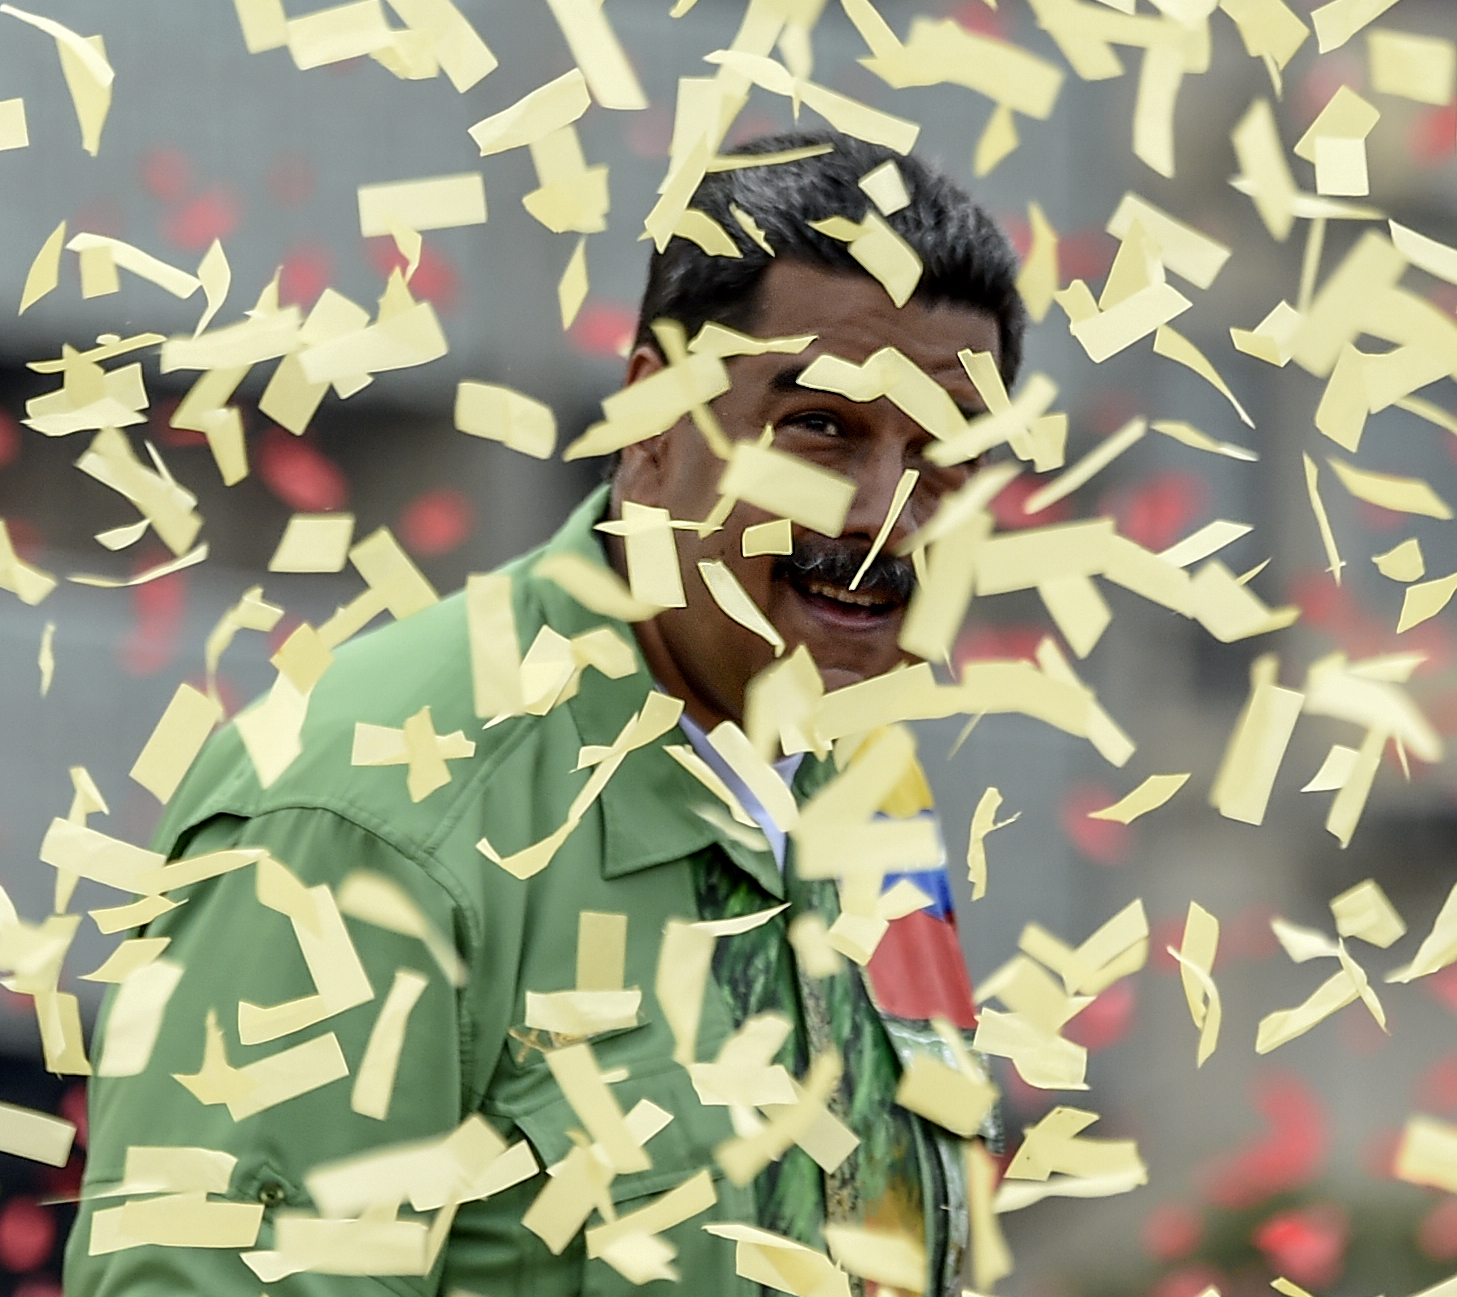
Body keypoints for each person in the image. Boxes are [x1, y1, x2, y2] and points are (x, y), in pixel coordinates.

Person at [67, 128, 1028, 1296]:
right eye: (821, 428)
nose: (888, 517)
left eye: (947, 458)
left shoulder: (862, 774)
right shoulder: (366, 808)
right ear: (653, 422)